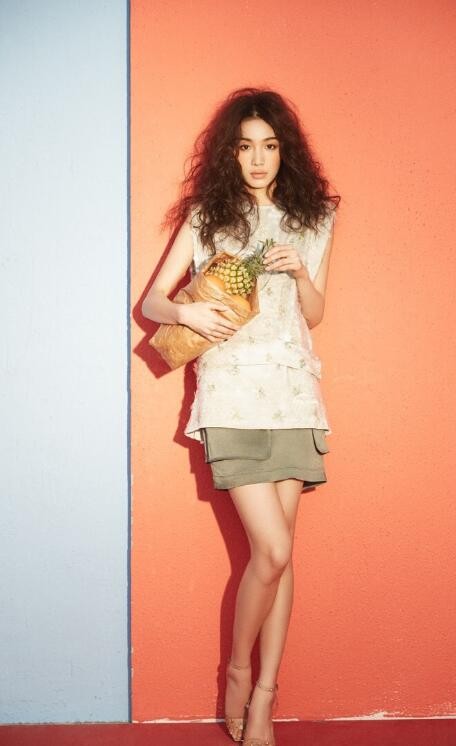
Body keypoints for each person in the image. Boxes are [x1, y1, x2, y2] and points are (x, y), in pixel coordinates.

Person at [142, 87, 340, 746]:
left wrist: (301, 274)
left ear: (286, 152)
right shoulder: (208, 216)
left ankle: (264, 699)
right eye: (246, 146)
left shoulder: (313, 218)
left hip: (292, 393)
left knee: (281, 558)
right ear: (230, 153)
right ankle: (237, 669)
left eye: (270, 146)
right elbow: (151, 304)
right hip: (230, 393)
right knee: (272, 550)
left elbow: (315, 314)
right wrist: (187, 311)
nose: (258, 159)